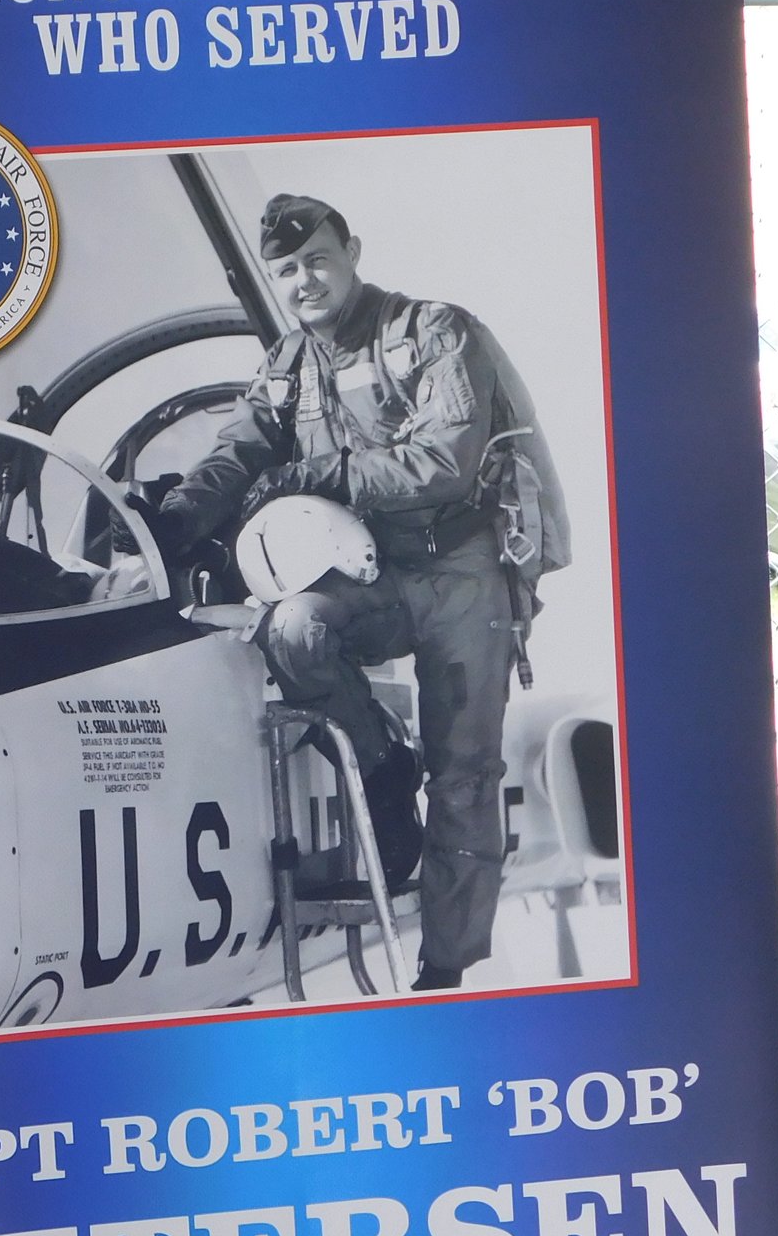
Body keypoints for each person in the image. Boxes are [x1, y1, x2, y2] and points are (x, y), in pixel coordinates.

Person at [150, 193, 565, 992]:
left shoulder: (438, 331)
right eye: (286, 270)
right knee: (294, 628)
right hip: (368, 575)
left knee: (465, 773)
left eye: (317, 260)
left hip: (460, 572)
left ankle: (442, 969)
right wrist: (171, 519)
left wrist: (322, 472)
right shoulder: (286, 367)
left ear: (353, 253)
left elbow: (444, 459)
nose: (304, 281)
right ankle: (378, 763)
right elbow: (238, 451)